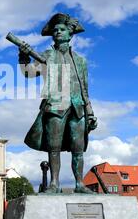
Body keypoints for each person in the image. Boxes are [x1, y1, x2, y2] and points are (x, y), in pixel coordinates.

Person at [19, 12, 97, 193]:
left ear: (71, 34)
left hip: (78, 108)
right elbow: (28, 73)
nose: (58, 32)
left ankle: (80, 184)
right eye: (55, 30)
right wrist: (23, 56)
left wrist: (90, 112)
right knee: (53, 147)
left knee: (78, 148)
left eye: (62, 29)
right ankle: (54, 183)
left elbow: (85, 89)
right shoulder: (46, 55)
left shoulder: (80, 61)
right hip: (55, 106)